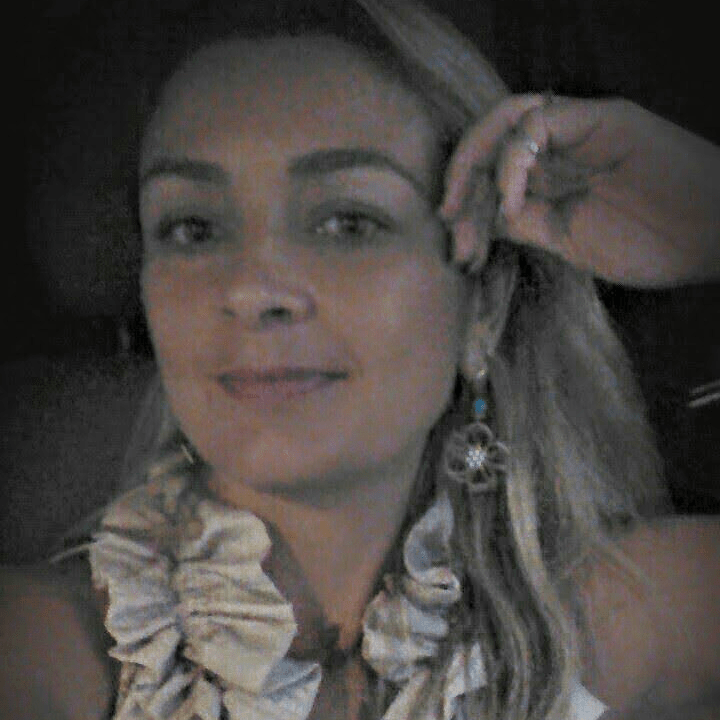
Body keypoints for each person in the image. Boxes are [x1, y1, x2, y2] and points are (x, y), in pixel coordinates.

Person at [1, 1, 718, 719]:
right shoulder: (40, 649)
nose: (251, 289)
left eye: (347, 223)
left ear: (484, 306)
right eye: (193, 228)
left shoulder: (646, 616)